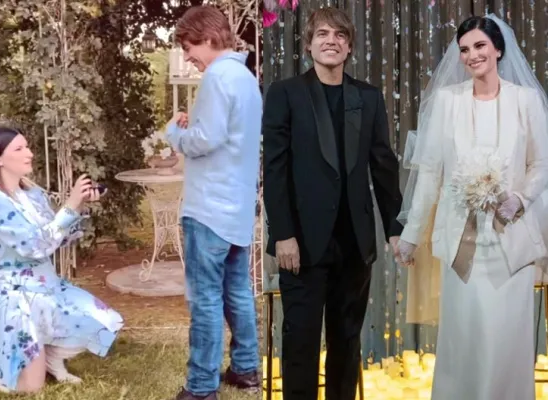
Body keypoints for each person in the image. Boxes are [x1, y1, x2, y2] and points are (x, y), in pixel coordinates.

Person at [397, 14, 548, 400]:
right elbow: (429, 174)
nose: (471, 55)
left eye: (480, 46)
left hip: (510, 244)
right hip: (461, 245)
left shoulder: (526, 100)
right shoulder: (447, 102)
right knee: (464, 342)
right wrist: (411, 235)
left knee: (505, 342)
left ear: (498, 49)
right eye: (464, 49)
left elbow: (541, 163)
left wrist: (520, 198)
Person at [262, 7, 403, 400]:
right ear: (309, 44)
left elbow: (383, 166)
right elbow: (274, 169)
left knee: (347, 343)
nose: (331, 41)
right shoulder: (285, 93)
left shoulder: (368, 98)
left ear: (349, 46)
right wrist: (283, 234)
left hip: (354, 244)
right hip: (301, 245)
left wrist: (395, 227)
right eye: (322, 34)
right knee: (300, 345)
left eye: (340, 35)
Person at [0, 127, 124, 394]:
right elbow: (34, 246)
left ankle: (50, 358)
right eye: (19, 149)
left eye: (27, 146)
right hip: (15, 298)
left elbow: (56, 241)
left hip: (48, 288)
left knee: (108, 322)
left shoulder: (33, 195)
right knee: (31, 387)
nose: (29, 154)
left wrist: (79, 206)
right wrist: (69, 206)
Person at [165, 5, 261, 400]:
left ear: (207, 37)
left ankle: (202, 386)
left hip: (208, 208)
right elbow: (226, 134)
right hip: (236, 205)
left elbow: (205, 140)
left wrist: (175, 133)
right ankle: (246, 368)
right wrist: (197, 126)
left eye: (189, 48)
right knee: (237, 290)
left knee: (205, 297)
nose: (188, 57)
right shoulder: (245, 78)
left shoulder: (217, 76)